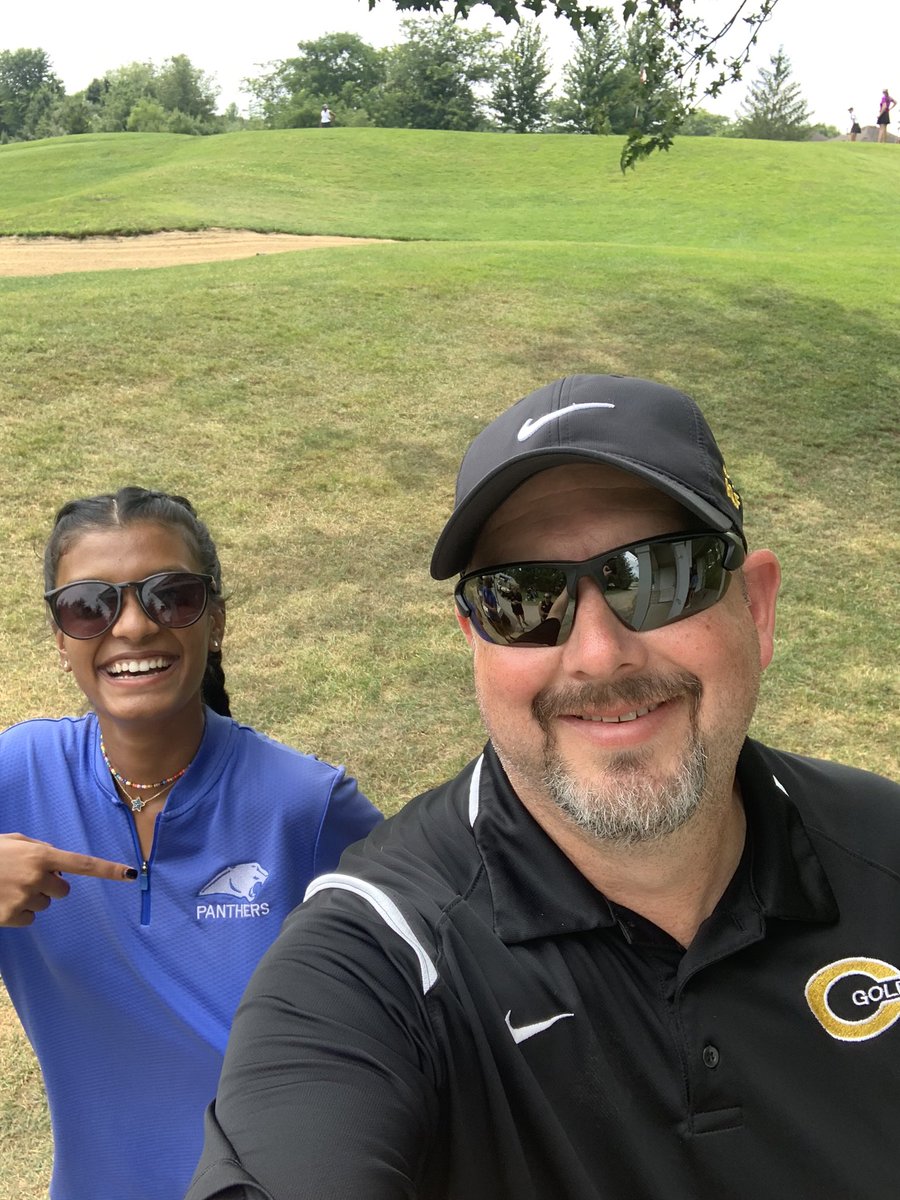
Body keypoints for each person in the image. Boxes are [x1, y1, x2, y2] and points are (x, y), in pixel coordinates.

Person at [187, 377, 900, 1200]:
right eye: (522, 601)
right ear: (476, 643)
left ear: (758, 608)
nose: (599, 654)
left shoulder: (884, 853)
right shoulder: (377, 965)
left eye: (658, 575)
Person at [0, 487, 381, 1200]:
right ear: (60, 638)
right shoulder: (16, 776)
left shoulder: (306, 805)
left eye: (171, 597)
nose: (135, 626)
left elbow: (436, 984)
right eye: (91, 605)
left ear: (217, 618)